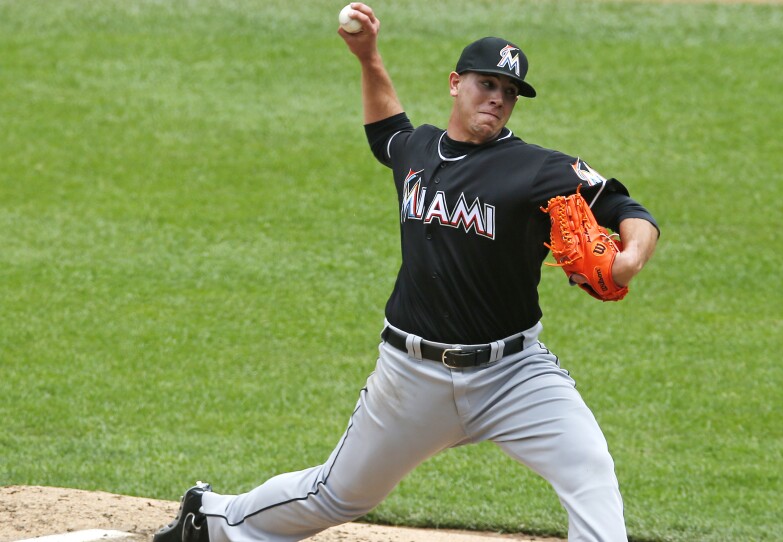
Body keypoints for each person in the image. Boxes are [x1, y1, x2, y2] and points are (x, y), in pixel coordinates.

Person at [153, 3, 659, 542]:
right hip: (411, 375)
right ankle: (211, 520)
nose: (497, 98)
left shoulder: (540, 169)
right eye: (486, 83)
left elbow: (630, 211)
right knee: (339, 494)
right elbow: (385, 130)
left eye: (509, 92)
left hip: (514, 375)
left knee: (589, 470)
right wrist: (369, 57)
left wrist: (629, 258)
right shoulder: (418, 150)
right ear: (455, 83)